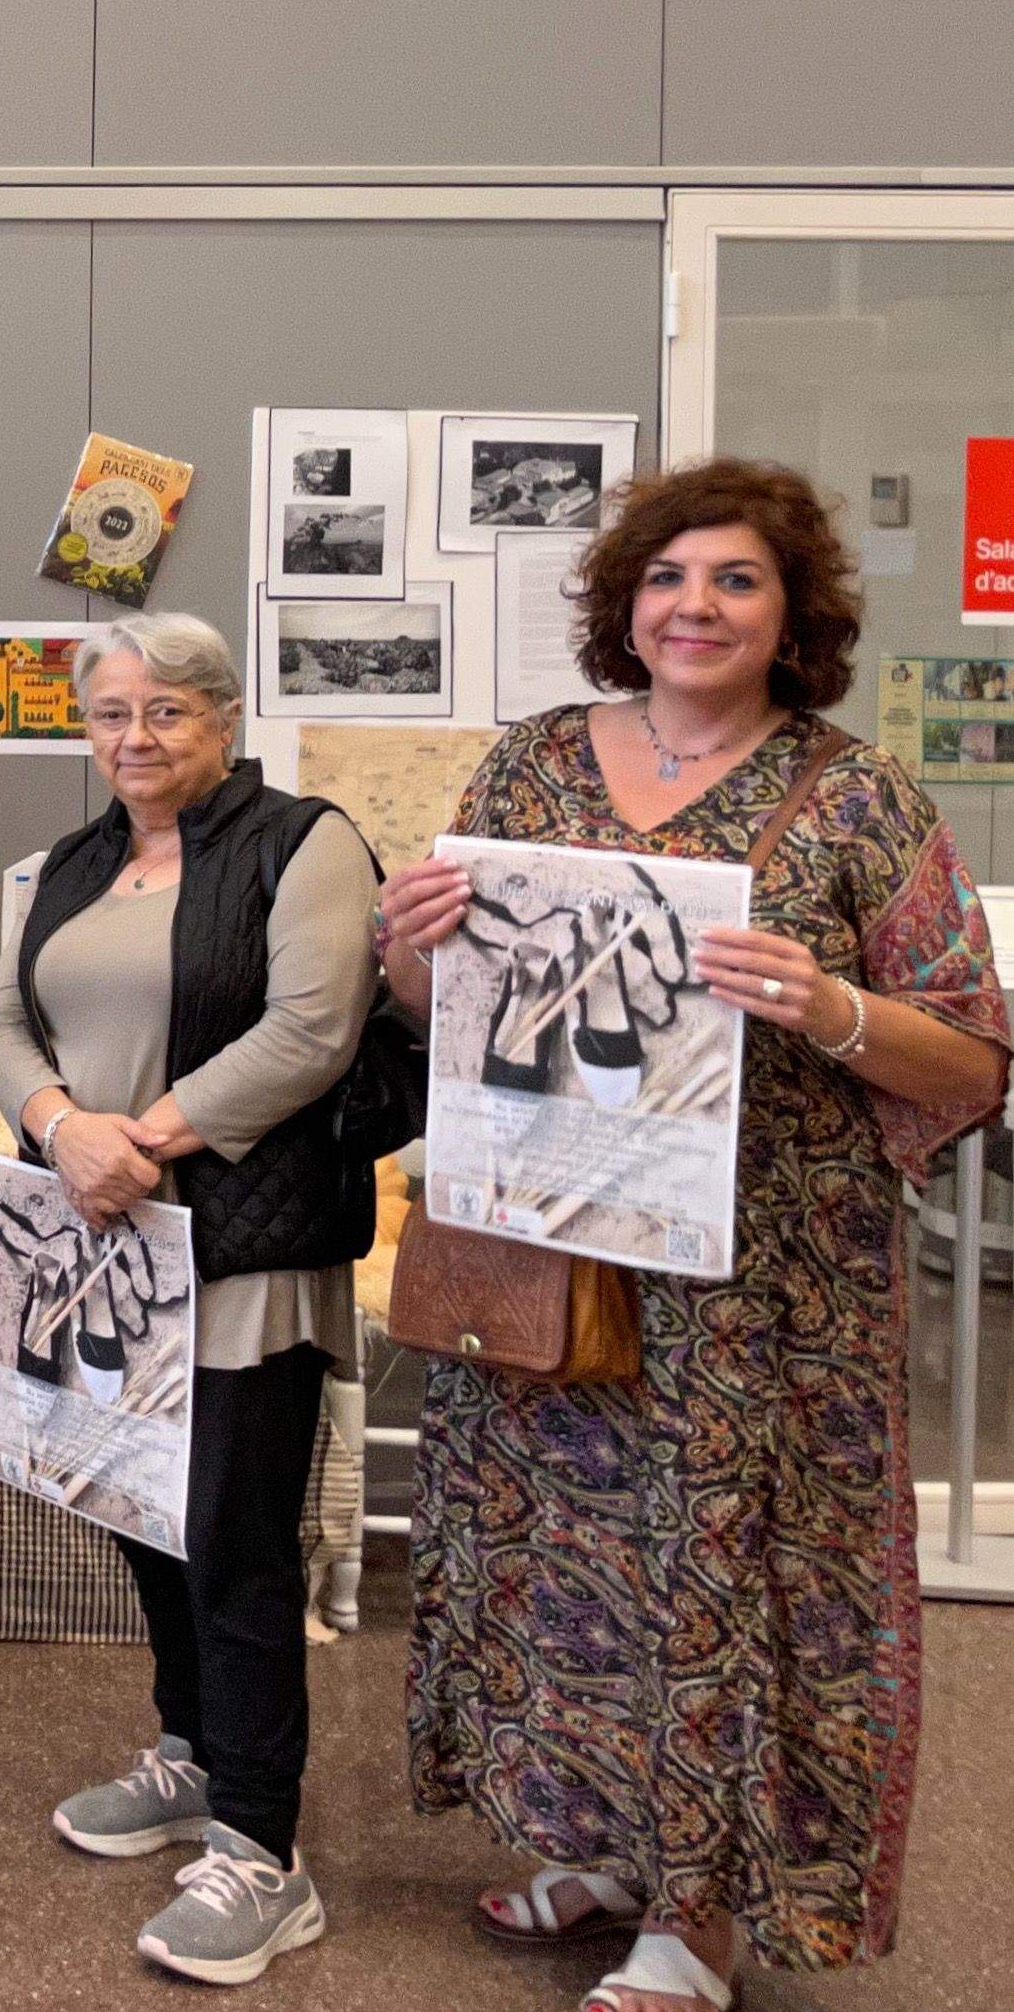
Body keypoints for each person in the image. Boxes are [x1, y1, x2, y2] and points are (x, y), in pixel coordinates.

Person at [383, 458, 1007, 2012]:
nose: (696, 605)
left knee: (719, 1578)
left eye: (735, 579)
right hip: (548, 1257)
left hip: (761, 1300)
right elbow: (444, 1019)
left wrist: (835, 1005)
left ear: (789, 613)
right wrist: (410, 957)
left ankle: (701, 1913)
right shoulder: (528, 766)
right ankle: (597, 1842)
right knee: (549, 1560)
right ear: (626, 603)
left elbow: (974, 1058)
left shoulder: (855, 799)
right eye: (669, 576)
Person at [0, 611, 378, 1988]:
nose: (134, 738)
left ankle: (263, 1851)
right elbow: (0, 1019)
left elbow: (311, 1031)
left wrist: (135, 1137)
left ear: (220, 716)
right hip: (100, 1250)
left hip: (237, 1253)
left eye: (165, 711)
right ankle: (193, 1752)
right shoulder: (71, 862)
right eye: (109, 714)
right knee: (145, 1513)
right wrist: (52, 1120)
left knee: (237, 1542)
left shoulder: (303, 840)